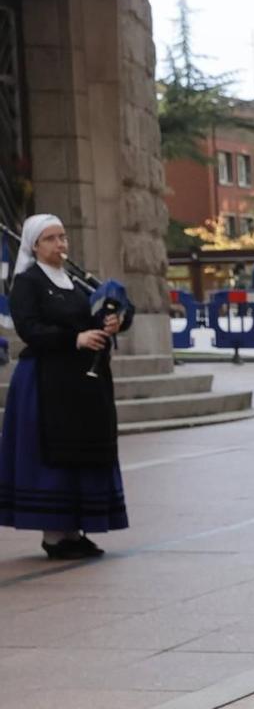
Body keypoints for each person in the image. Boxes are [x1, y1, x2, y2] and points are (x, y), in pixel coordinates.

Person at [0, 214, 129, 559]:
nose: (61, 245)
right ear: (35, 245)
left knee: (81, 452)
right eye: (51, 239)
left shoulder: (74, 280)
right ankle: (54, 535)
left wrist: (111, 321)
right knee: (54, 453)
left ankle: (74, 529)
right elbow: (29, 328)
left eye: (63, 237)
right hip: (46, 382)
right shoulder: (27, 282)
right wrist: (76, 338)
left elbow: (95, 315)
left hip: (82, 384)